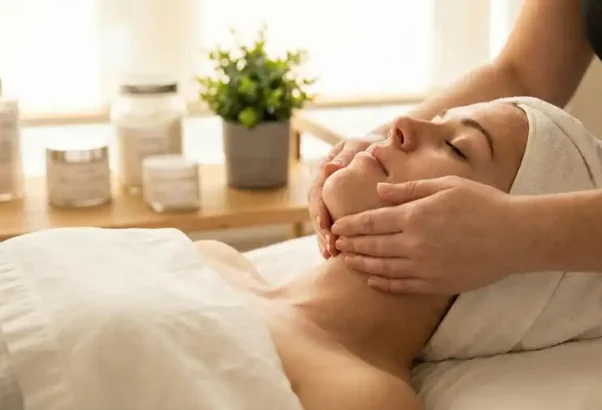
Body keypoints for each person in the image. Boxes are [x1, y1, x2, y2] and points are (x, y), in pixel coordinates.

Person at [309, 0, 602, 370]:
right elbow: (521, 72)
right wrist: (372, 144)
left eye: (460, 149)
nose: (405, 128)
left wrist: (520, 233)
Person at [0, 100, 528, 410]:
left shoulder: (360, 394)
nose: (402, 126)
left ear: (491, 247)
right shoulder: (213, 257)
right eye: (438, 119)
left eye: (459, 148)